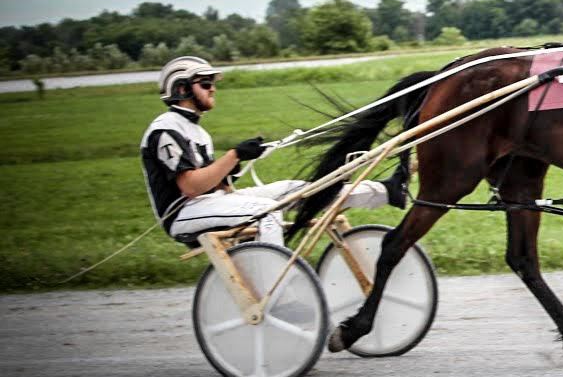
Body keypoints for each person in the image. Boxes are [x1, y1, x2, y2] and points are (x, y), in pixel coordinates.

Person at [140, 55, 407, 246]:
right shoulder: (165, 130)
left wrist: (234, 166)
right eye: (206, 84)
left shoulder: (196, 131)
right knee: (268, 210)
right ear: (182, 89)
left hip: (210, 202)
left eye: (212, 83)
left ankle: (387, 191)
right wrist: (234, 155)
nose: (213, 89)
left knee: (300, 189)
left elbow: (215, 185)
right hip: (184, 215)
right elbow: (191, 187)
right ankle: (277, 284)